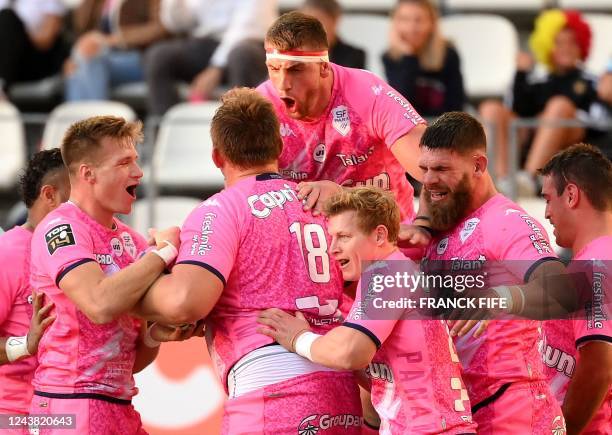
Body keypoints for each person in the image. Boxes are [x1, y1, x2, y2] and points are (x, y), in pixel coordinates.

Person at [134, 87, 362, 433]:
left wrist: (136, 278)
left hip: (270, 391)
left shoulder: (220, 210)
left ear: (216, 156)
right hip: (341, 389)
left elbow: (184, 303)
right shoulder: (320, 203)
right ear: (280, 148)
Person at [257, 187, 477, 434]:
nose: (332, 248)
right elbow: (384, 379)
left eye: (344, 236)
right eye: (332, 237)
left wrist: (299, 339)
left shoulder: (387, 274)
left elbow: (351, 353)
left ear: (380, 235)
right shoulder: (396, 273)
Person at [29, 116, 196, 434]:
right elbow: (99, 304)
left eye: (136, 161)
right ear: (87, 174)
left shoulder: (131, 242)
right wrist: (161, 254)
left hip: (115, 404)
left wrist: (156, 333)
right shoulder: (60, 227)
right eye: (124, 163)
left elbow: (132, 361)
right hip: (68, 405)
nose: (138, 172)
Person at [419, 112, 565, 434]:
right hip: (459, 410)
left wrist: (498, 297)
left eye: (442, 169)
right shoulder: (441, 224)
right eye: (424, 169)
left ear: (478, 166)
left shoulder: (506, 221)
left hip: (513, 411)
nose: (428, 180)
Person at [258, 11, 431, 248]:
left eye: (295, 70)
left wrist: (424, 223)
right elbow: (246, 196)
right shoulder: (261, 108)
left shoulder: (369, 96)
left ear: (323, 68)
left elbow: (439, 171)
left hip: (385, 246)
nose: (282, 84)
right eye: (274, 69)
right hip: (304, 256)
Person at [479, 9, 597, 195]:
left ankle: (529, 178)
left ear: (582, 45)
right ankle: (503, 179)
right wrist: (521, 73)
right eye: (559, 43)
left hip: (573, 137)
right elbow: (518, 109)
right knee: (491, 108)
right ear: (547, 46)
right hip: (532, 132)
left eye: (572, 42)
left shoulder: (591, 82)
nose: (566, 48)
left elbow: (594, 119)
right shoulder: (537, 82)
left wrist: (551, 115)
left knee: (559, 106)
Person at [539, 143, 611, 435]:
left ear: (571, 195)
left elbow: (599, 364)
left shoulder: (595, 265)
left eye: (547, 199)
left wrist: (563, 432)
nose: (546, 213)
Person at [0, 149, 69, 430]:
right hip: (14, 416)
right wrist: (25, 345)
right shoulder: (7, 254)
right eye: (76, 192)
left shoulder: (85, 252)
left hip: (66, 414)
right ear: (49, 195)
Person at [145, 0, 277, 115]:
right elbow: (178, 24)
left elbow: (245, 28)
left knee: (241, 55)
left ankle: (243, 131)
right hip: (207, 44)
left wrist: (216, 67)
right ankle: (164, 128)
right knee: (159, 55)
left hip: (250, 44)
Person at [64, 0, 169, 101]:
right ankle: (86, 117)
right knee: (77, 67)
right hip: (105, 57)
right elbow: (81, 25)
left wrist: (115, 39)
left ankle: (94, 118)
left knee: (90, 62)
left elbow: (160, 28)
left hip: (142, 57)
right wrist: (74, 58)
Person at [383, 0, 465, 118]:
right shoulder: (390, 57)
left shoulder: (448, 54)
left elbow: (456, 104)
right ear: (395, 24)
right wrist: (409, 56)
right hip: (409, 128)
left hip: (443, 128)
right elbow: (401, 105)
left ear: (432, 23)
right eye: (405, 20)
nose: (412, 27)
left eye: (419, 20)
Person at [0, 0, 68, 92]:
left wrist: (17, 35)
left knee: (7, 18)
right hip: (6, 60)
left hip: (35, 60)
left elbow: (46, 40)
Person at [300, 0, 365, 69]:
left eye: (318, 20)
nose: (310, 26)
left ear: (335, 20)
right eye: (304, 20)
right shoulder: (293, 54)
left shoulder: (354, 55)